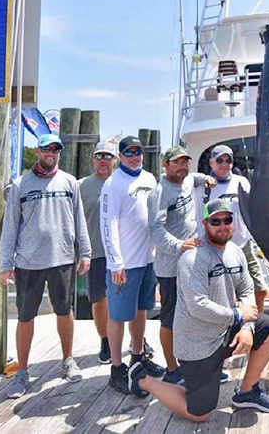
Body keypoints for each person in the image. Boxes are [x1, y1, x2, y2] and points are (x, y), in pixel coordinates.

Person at [128, 199, 269, 418]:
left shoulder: (235, 252)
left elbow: (247, 288)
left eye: (227, 220)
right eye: (215, 221)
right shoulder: (192, 257)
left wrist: (247, 327)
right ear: (204, 223)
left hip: (226, 329)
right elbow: (197, 306)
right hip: (197, 344)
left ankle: (247, 392)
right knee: (199, 414)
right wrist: (238, 315)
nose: (222, 225)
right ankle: (142, 379)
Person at [0, 133, 92, 398]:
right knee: (26, 316)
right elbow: (9, 229)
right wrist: (6, 264)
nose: (51, 152)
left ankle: (67, 360)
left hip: (62, 259)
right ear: (37, 151)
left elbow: (79, 221)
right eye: (46, 148)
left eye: (56, 149)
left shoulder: (69, 182)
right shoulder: (19, 185)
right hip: (28, 263)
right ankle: (23, 372)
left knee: (65, 311)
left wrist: (85, 252)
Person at [101, 136, 167, 394]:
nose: (134, 156)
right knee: (117, 315)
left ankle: (137, 357)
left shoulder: (150, 179)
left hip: (148, 260)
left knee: (141, 311)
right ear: (120, 156)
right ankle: (116, 369)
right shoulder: (113, 184)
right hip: (124, 265)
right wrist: (116, 263)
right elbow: (108, 225)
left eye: (138, 151)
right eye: (128, 152)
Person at [148, 145, 216, 385]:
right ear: (165, 165)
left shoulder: (188, 180)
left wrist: (205, 177)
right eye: (176, 162)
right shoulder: (160, 192)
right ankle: (172, 369)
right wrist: (179, 245)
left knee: (195, 314)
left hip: (192, 264)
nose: (182, 166)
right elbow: (155, 229)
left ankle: (195, 364)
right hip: (170, 268)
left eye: (185, 162)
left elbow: (195, 178)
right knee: (169, 319)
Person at [194, 144, 268, 311]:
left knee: (261, 289)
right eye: (219, 160)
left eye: (228, 160)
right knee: (223, 295)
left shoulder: (241, 181)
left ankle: (256, 324)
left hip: (243, 245)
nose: (224, 164)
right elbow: (179, 178)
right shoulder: (201, 185)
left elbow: (253, 209)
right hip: (216, 248)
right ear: (211, 162)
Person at [78, 140, 117, 364]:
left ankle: (135, 340)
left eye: (108, 156)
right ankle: (105, 340)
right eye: (99, 156)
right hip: (96, 253)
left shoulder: (122, 181)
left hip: (123, 253)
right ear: (93, 159)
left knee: (126, 299)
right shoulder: (81, 185)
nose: (103, 160)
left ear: (115, 160)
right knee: (100, 299)